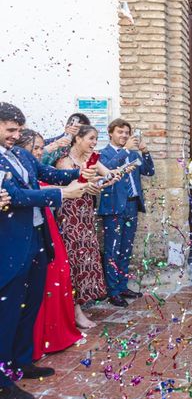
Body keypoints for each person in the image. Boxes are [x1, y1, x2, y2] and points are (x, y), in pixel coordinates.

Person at [0, 102, 87, 399]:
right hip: (9, 246)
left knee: (30, 304)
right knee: (6, 313)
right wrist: (60, 195)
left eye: (19, 130)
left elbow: (47, 172)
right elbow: (18, 197)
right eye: (10, 130)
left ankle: (22, 361)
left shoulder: (21, 154)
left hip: (37, 241)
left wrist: (81, 173)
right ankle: (2, 380)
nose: (16, 135)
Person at [15, 130, 84, 360]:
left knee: (39, 293)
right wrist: (64, 193)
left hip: (41, 227)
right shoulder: (10, 162)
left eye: (41, 148)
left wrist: (82, 173)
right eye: (36, 148)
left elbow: (51, 175)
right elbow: (22, 194)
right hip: (22, 232)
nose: (39, 152)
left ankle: (29, 355)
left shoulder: (27, 161)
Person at [56, 125, 110, 328]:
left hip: (85, 214)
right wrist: (90, 182)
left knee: (85, 258)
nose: (94, 142)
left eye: (96, 139)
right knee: (73, 260)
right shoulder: (65, 161)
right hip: (69, 216)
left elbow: (107, 176)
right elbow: (69, 187)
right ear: (77, 139)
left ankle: (79, 306)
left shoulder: (91, 159)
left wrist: (101, 182)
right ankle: (74, 311)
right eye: (91, 138)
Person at [98, 119, 155, 307]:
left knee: (126, 248)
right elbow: (107, 171)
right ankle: (112, 291)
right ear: (110, 133)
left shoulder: (132, 154)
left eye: (126, 133)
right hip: (113, 207)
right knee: (112, 250)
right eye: (120, 132)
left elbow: (149, 171)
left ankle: (122, 286)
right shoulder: (102, 154)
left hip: (132, 205)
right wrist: (125, 151)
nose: (123, 136)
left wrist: (145, 151)